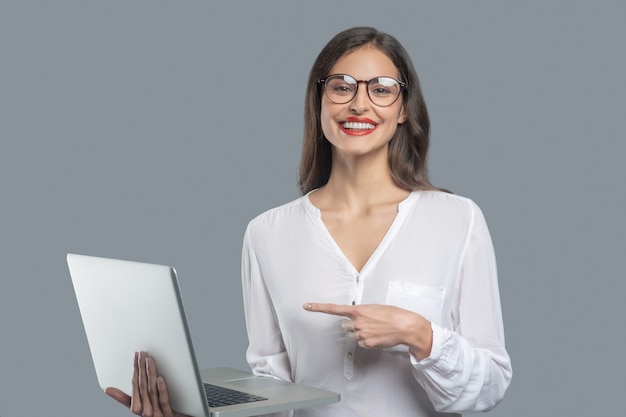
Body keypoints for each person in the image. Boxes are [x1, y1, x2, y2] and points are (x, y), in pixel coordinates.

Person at [106, 26, 512, 417]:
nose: (359, 104)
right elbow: (275, 393)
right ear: (319, 100)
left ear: (405, 109)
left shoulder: (458, 220)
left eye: (381, 89)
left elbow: (490, 385)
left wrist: (420, 335)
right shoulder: (266, 233)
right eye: (341, 86)